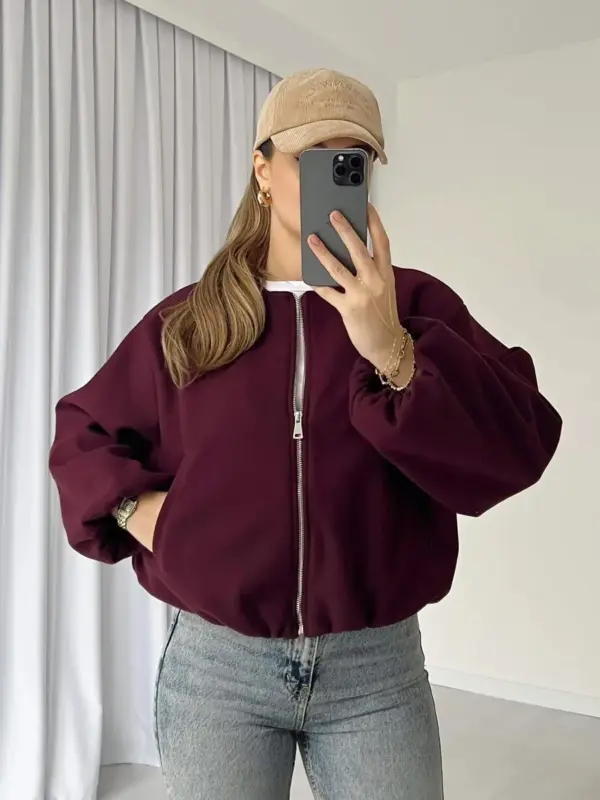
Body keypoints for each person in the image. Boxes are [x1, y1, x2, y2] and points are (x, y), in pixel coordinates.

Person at [49, 68, 562, 800]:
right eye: (314, 158)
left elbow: (519, 440)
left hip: (374, 672)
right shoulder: (192, 321)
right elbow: (84, 430)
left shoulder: (416, 306)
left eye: (354, 161)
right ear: (263, 171)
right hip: (218, 671)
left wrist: (392, 348)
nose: (337, 177)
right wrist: (138, 509)